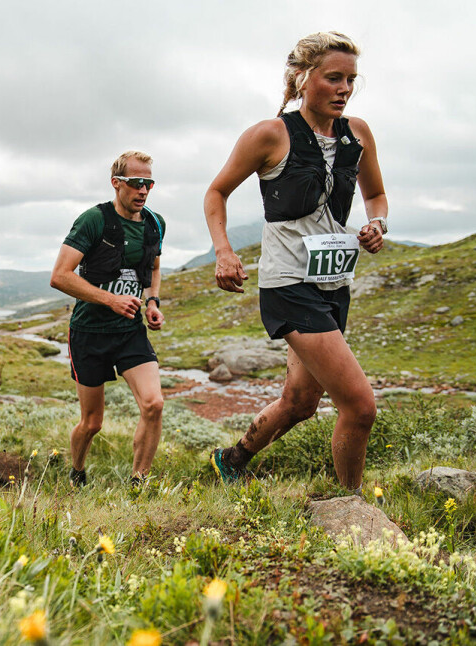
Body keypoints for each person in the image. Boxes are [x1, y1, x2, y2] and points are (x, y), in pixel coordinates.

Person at [204, 32, 387, 494]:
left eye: (351, 80)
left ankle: (231, 460)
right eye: (334, 78)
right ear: (303, 78)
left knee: (301, 401)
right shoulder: (270, 134)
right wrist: (224, 251)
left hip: (334, 283)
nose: (344, 89)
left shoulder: (358, 133)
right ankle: (352, 506)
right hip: (288, 284)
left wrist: (377, 223)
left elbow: (376, 195)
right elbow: (216, 192)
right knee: (360, 406)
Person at [50, 150, 166, 487]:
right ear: (116, 183)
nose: (143, 190)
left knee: (154, 404)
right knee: (92, 423)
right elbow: (60, 276)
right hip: (89, 331)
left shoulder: (155, 223)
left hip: (129, 331)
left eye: (149, 184)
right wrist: (110, 299)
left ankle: (139, 484)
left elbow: (153, 267)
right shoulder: (93, 220)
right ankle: (77, 472)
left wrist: (152, 302)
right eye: (136, 183)